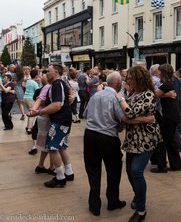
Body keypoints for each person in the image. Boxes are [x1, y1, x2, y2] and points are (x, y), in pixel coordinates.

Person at [117, 66, 161, 222]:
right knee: (129, 171)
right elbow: (122, 115)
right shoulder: (133, 93)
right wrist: (144, 118)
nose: (127, 81)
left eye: (130, 78)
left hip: (146, 139)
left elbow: (128, 113)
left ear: (138, 79)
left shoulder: (148, 94)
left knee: (136, 171)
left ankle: (141, 211)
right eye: (127, 78)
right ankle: (138, 195)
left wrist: (121, 99)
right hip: (132, 139)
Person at [83, 71, 126, 216]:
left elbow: (85, 113)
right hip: (107, 136)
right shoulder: (116, 97)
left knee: (93, 169)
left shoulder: (96, 95)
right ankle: (113, 201)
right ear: (119, 84)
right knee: (113, 169)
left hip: (90, 134)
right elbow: (123, 118)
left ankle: (94, 204)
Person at [28, 64, 74, 188]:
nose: (46, 74)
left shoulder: (56, 84)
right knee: (61, 147)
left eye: (48, 72)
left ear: (56, 73)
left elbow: (57, 104)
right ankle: (69, 172)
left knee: (52, 147)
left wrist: (39, 112)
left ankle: (60, 177)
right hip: (64, 119)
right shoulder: (60, 83)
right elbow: (68, 95)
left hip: (59, 120)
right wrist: (71, 98)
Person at [151, 64, 181, 174]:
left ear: (163, 73)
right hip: (173, 116)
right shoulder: (170, 83)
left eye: (159, 71)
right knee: (171, 141)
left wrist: (152, 87)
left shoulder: (166, 85)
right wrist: (166, 95)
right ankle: (176, 165)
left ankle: (162, 167)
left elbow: (153, 95)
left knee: (161, 141)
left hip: (170, 116)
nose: (157, 73)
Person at [23, 69, 39, 134]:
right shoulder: (35, 83)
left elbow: (24, 86)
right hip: (31, 98)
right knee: (32, 113)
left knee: (30, 112)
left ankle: (28, 126)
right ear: (36, 75)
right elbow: (38, 91)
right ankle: (29, 128)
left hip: (25, 98)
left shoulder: (28, 81)